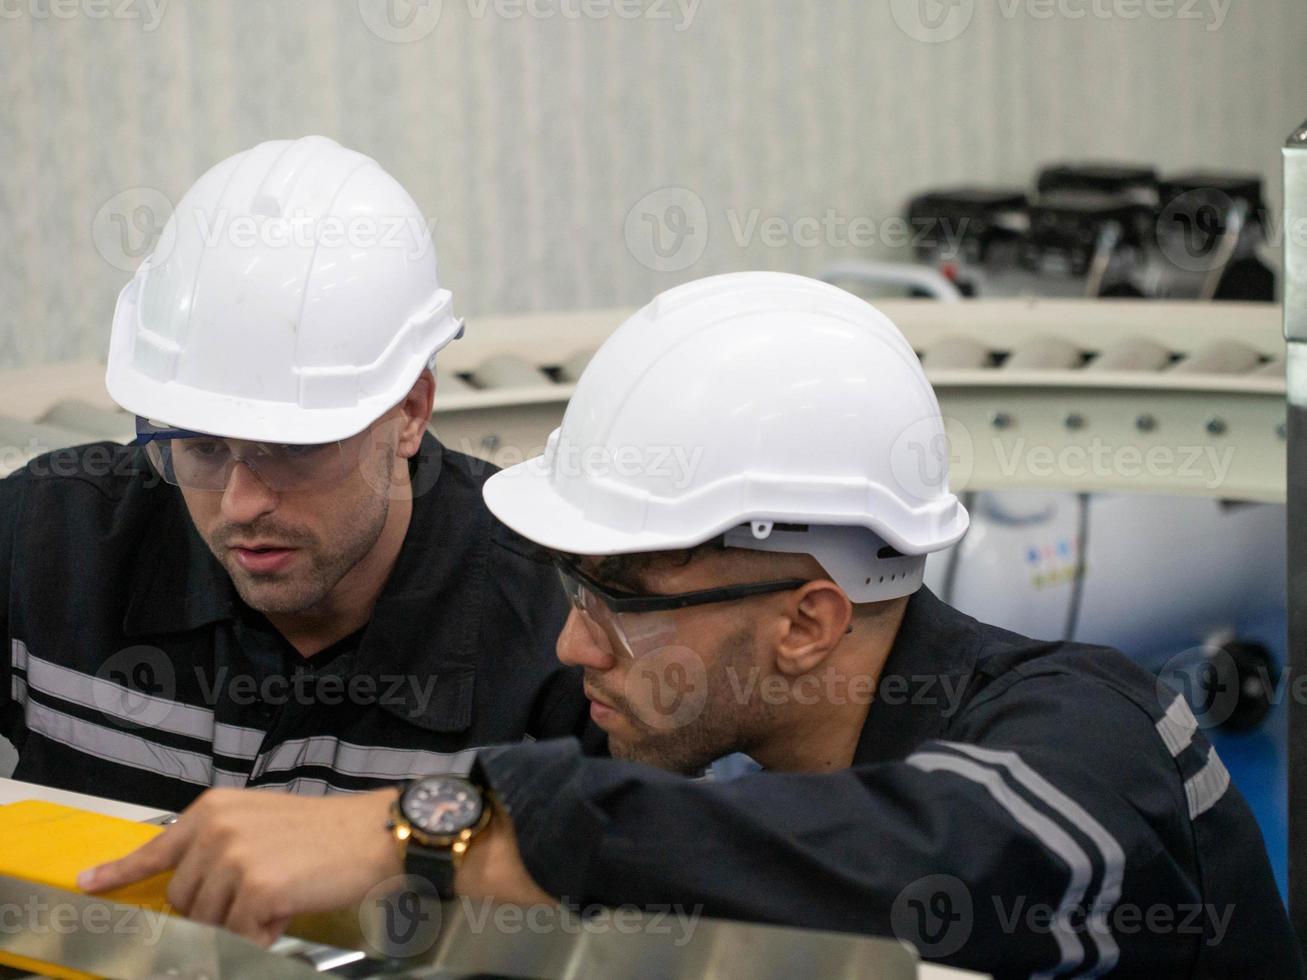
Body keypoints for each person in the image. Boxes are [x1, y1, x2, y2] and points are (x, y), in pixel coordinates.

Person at [83, 273, 1303, 977]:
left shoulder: (1097, 726)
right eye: (572, 591)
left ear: (807, 619)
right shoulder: (728, 761)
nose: (570, 647)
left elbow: (953, 848)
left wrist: (425, 831)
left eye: (616, 599)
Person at [0, 136, 595, 812]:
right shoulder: (46, 539)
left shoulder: (561, 623)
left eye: (294, 448)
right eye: (199, 448)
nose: (240, 502)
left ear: (410, 410)